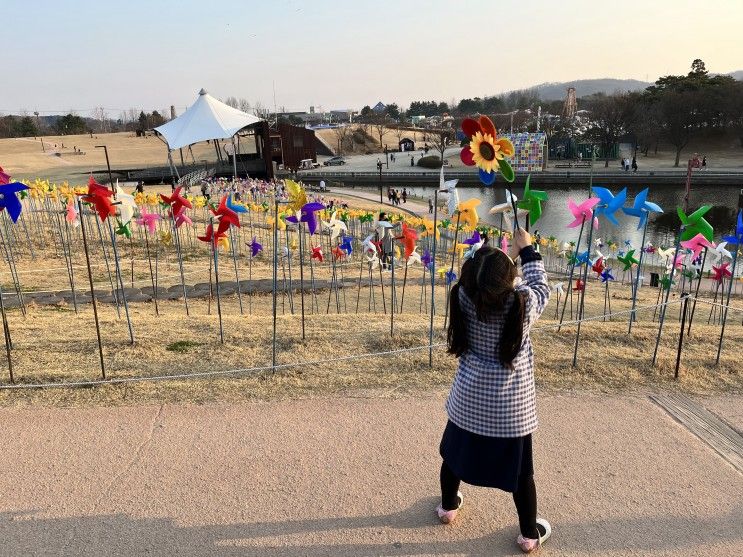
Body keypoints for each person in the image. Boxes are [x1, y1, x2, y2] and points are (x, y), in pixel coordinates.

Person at [437, 230, 551, 554]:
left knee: (452, 458)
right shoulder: (522, 304)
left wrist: (505, 258)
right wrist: (526, 250)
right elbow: (541, 286)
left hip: (468, 403)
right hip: (510, 413)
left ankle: (447, 507)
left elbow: (480, 279)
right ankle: (529, 534)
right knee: (522, 475)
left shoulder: (462, 296)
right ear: (508, 281)